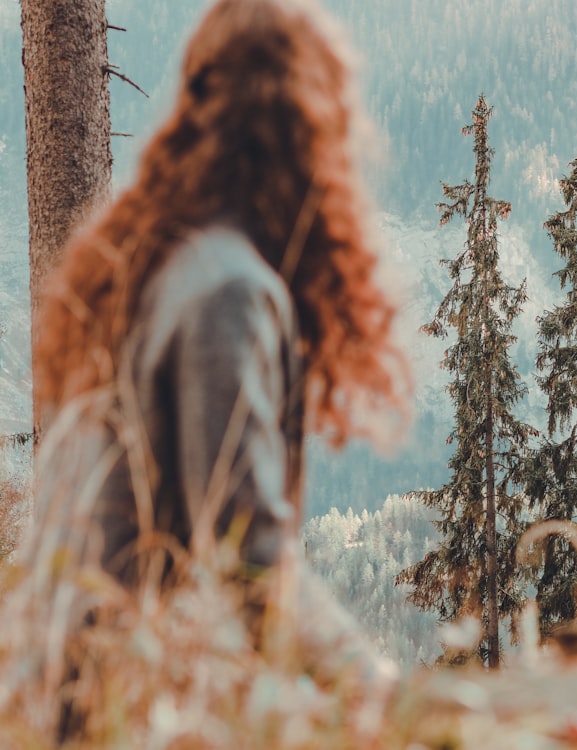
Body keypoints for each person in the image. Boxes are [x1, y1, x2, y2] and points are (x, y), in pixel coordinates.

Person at [15, 0, 405, 741]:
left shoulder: (151, 258)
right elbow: (246, 555)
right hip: (126, 710)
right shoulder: (228, 290)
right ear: (310, 132)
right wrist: (380, 689)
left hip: (78, 696)